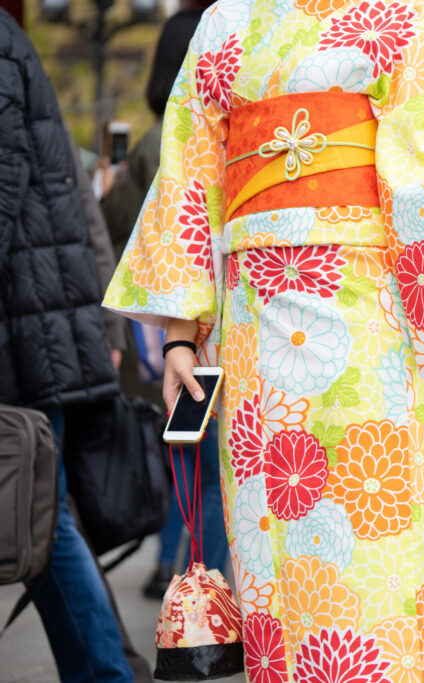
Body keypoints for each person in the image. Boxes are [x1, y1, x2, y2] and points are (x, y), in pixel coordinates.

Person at [102, 0, 424, 678]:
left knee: (371, 544)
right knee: (272, 552)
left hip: (366, 327)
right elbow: (192, 175)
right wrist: (182, 338)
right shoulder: (224, 23)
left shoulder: (399, 17)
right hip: (255, 334)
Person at [0, 8, 148, 682]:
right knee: (44, 516)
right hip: (38, 322)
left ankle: (107, 672)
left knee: (42, 518)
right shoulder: (14, 47)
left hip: (28, 329)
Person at [101, 7, 229, 600]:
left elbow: (118, 218)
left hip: (165, 315)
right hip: (212, 308)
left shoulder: (154, 141)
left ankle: (170, 567)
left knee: (184, 449)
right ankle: (205, 577)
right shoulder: (187, 133)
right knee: (211, 462)